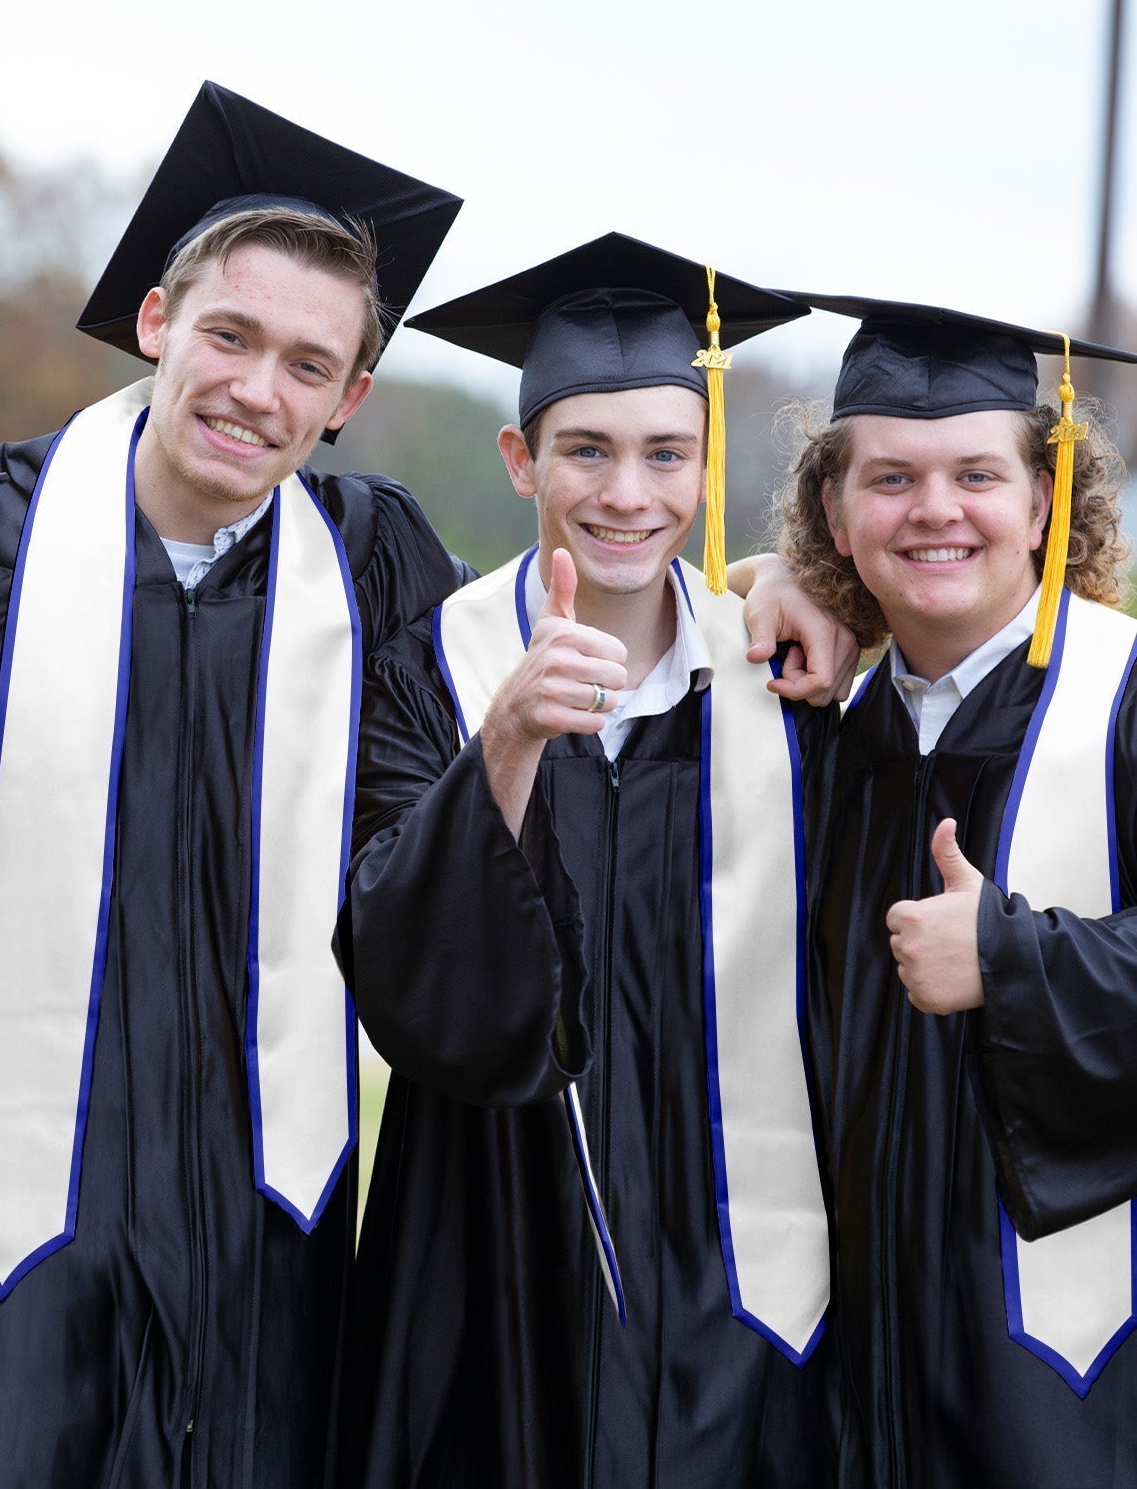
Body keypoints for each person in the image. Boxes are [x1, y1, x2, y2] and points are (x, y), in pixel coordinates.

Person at [0, 84, 465, 1488]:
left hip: (266, 1190)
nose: (257, 390)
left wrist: (766, 603)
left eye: (307, 365)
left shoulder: (375, 561)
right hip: (12, 1188)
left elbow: (516, 716)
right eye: (229, 335)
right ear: (157, 324)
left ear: (348, 402)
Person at [336, 235, 839, 1488]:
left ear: (707, 461)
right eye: (587, 451)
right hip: (488, 1251)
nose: (630, 493)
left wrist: (818, 588)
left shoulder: (787, 684)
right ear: (522, 461)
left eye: (667, 452)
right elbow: (398, 969)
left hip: (738, 1269)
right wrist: (505, 736)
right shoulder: (430, 670)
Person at [771, 295, 1137, 1487]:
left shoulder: (1122, 699)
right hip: (856, 1380)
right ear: (833, 509)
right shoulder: (808, 732)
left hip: (1078, 1381)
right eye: (891, 479)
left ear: (1043, 498)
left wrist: (1014, 960)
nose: (935, 511)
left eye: (977, 474)